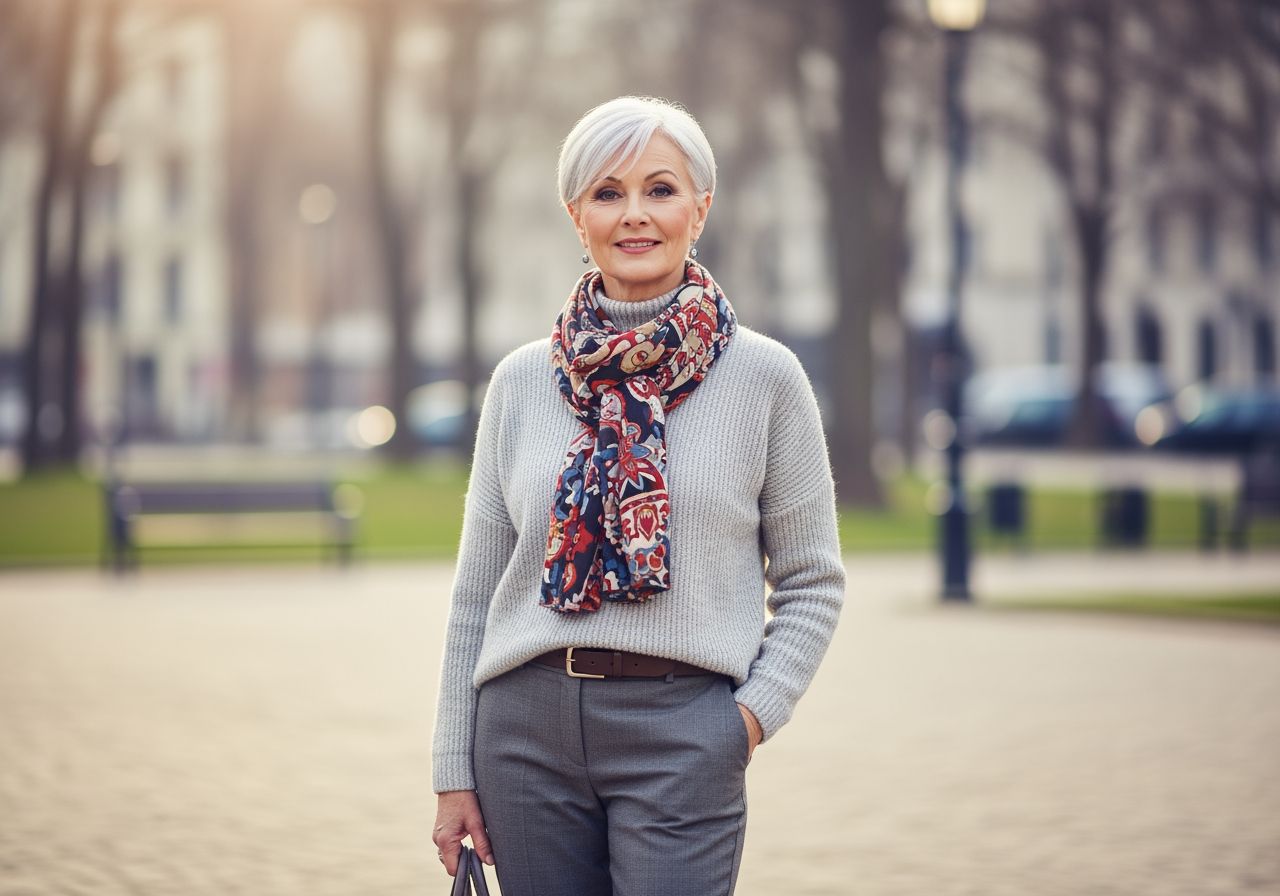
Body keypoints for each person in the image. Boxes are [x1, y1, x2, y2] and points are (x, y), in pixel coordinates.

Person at [431, 95, 845, 896]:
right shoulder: (520, 382)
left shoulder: (765, 378)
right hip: (523, 734)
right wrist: (454, 767)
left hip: (683, 730)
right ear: (576, 215)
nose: (636, 215)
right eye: (607, 193)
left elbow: (812, 582)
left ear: (701, 207)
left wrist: (743, 722)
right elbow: (476, 594)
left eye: (660, 189)